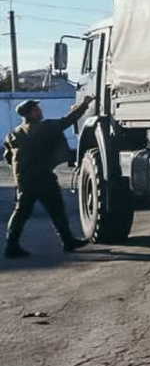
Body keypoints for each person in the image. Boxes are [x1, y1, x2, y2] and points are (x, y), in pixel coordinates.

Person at [4, 97, 94, 258]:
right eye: (37, 109)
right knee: (56, 209)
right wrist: (84, 104)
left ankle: (11, 246)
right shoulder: (44, 127)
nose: (40, 111)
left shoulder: (13, 134)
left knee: (21, 212)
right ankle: (68, 242)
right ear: (31, 113)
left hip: (24, 179)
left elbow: (8, 156)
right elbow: (68, 121)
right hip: (43, 178)